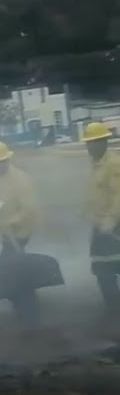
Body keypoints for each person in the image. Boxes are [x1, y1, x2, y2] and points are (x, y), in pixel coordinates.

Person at [0, 141, 41, 325]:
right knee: (14, 269)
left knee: (8, 266)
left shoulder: (21, 179)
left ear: (6, 160)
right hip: (6, 233)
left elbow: (28, 209)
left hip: (20, 233)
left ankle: (29, 310)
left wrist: (11, 221)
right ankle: (23, 305)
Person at [83, 122, 120, 311]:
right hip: (100, 227)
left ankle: (114, 309)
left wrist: (111, 221)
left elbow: (118, 196)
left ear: (103, 142)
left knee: (109, 266)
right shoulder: (96, 164)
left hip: (113, 226)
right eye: (88, 143)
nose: (89, 147)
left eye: (93, 143)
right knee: (101, 268)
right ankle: (113, 307)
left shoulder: (113, 164)